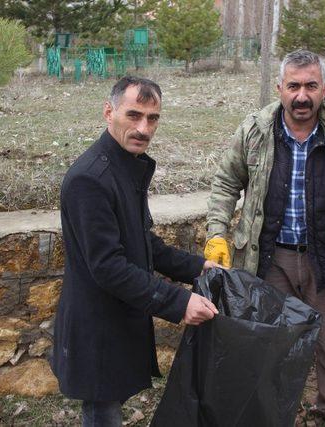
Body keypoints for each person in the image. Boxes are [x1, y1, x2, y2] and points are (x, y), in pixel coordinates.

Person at [203, 50, 325, 427]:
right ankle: (268, 409)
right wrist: (217, 233)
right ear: (280, 88)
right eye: (293, 85)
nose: (302, 95)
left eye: (311, 85)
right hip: (270, 257)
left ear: (324, 89)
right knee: (268, 339)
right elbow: (226, 183)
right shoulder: (256, 132)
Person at [52, 76, 220, 427]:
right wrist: (178, 302)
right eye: (134, 115)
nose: (143, 127)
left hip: (119, 318)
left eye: (153, 118)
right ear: (108, 112)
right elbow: (108, 266)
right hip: (96, 326)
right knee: (103, 414)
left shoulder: (126, 167)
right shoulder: (90, 179)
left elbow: (143, 242)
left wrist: (197, 267)